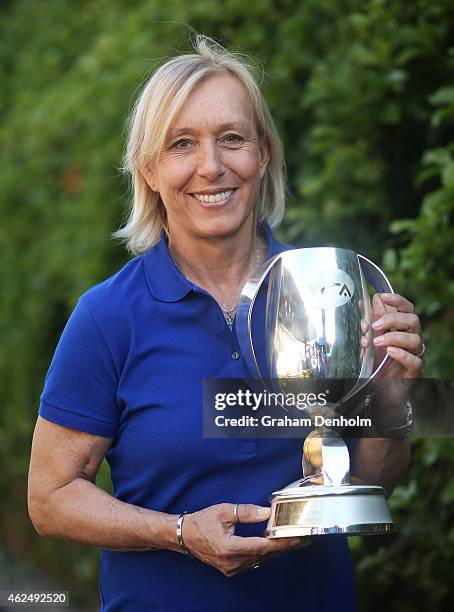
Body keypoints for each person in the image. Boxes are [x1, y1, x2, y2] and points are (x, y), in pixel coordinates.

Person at [28, 36, 424, 611]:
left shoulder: (328, 296)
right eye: (182, 144)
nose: (211, 166)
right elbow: (49, 499)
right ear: (150, 168)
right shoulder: (108, 317)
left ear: (263, 154)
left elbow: (372, 484)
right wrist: (181, 533)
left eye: (232, 139)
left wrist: (391, 401)